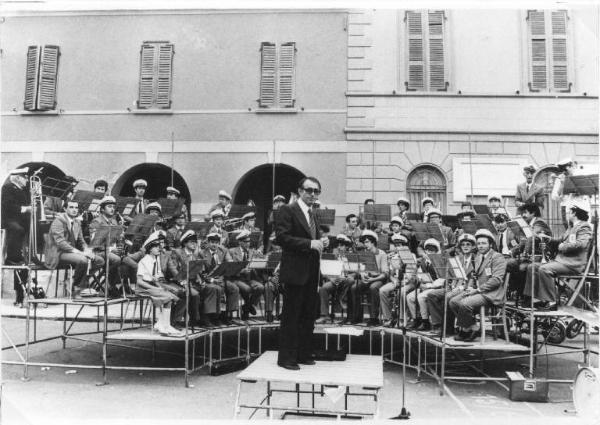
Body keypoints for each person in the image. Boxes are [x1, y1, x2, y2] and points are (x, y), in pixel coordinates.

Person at [275, 176, 328, 370]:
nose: (313, 194)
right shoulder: (287, 210)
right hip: (295, 272)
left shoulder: (313, 214)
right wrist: (309, 243)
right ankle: (286, 358)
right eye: (309, 190)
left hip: (311, 272)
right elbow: (281, 237)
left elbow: (312, 237)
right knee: (291, 316)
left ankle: (303, 354)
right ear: (300, 191)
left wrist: (321, 241)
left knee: (308, 315)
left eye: (316, 191)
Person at [524, 200, 592, 311]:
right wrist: (548, 238)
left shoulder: (584, 227)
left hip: (572, 264)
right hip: (562, 262)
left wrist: (563, 246)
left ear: (574, 213)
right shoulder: (571, 227)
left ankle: (551, 302)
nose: (567, 214)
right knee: (532, 267)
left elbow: (582, 244)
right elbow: (560, 240)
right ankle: (532, 299)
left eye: (569, 212)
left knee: (544, 269)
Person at [449, 229, 507, 342]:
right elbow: (476, 276)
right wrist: (472, 287)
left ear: (490, 244)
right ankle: (472, 327)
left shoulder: (497, 257)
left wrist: (477, 290)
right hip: (480, 291)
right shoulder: (479, 257)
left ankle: (468, 330)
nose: (480, 246)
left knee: (465, 303)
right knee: (453, 301)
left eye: (484, 243)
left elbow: (496, 280)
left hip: (491, 294)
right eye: (479, 243)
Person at [44, 200, 104, 298]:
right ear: (65, 209)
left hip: (71, 253)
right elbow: (61, 243)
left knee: (99, 260)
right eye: (71, 207)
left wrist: (86, 250)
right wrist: (80, 253)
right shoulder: (58, 221)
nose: (74, 210)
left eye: (76, 208)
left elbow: (81, 240)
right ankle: (76, 288)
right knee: (82, 260)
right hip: (58, 253)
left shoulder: (76, 222)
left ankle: (76, 281)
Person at [426, 233, 476, 336]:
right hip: (455, 287)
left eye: (468, 244)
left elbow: (474, 278)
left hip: (467, 288)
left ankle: (448, 329)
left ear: (472, 246)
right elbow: (453, 275)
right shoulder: (459, 259)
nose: (465, 247)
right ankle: (438, 324)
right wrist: (452, 286)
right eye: (463, 245)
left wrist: (461, 287)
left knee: (448, 297)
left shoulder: (476, 259)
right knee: (432, 295)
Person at [136, 233, 184, 337]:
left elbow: (156, 277)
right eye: (156, 247)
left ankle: (165, 324)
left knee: (172, 297)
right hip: (143, 288)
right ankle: (162, 324)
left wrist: (159, 285)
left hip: (152, 285)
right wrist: (154, 287)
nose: (159, 249)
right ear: (150, 249)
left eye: (159, 246)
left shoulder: (155, 260)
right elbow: (139, 281)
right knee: (167, 297)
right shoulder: (143, 261)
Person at [168, 230, 217, 327]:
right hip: (178, 282)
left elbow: (197, 270)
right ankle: (190, 319)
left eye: (195, 242)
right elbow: (173, 268)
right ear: (185, 243)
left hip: (193, 282)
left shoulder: (194, 254)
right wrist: (182, 281)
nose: (194, 244)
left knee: (211, 289)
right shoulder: (177, 252)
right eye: (192, 242)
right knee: (194, 294)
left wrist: (201, 279)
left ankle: (206, 318)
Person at [2, 168, 32, 306]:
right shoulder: (8, 187)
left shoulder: (21, 190)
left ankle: (21, 296)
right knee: (17, 229)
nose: (26, 180)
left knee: (22, 230)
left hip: (19, 223)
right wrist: (25, 209)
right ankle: (11, 258)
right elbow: (7, 206)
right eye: (25, 177)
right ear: (18, 177)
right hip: (8, 220)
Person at [349, 229, 388, 326]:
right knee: (354, 287)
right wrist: (362, 274)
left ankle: (374, 318)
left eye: (367, 242)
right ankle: (357, 316)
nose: (365, 244)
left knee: (373, 287)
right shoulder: (364, 253)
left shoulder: (382, 254)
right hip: (368, 278)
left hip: (378, 279)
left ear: (373, 242)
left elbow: (385, 274)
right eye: (364, 242)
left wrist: (373, 279)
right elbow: (361, 268)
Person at [228, 230, 268, 321]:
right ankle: (247, 310)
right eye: (245, 242)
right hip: (237, 278)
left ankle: (247, 307)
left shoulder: (252, 252)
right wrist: (242, 271)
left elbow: (262, 263)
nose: (248, 244)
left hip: (249, 278)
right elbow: (231, 268)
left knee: (261, 287)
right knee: (247, 289)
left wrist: (261, 257)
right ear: (240, 242)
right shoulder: (232, 251)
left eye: (249, 241)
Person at [315, 234, 356, 325]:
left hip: (346, 280)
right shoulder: (334, 256)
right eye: (338, 245)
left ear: (346, 247)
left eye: (341, 245)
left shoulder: (351, 257)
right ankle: (325, 315)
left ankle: (340, 296)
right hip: (335, 280)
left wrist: (347, 276)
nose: (339, 247)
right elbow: (325, 270)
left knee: (350, 280)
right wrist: (331, 278)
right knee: (324, 288)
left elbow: (356, 271)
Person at [89, 196, 124, 297]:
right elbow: (95, 242)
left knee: (126, 259)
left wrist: (119, 246)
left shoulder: (114, 221)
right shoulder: (97, 221)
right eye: (109, 206)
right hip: (99, 251)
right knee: (116, 259)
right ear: (102, 209)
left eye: (113, 206)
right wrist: (112, 249)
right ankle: (108, 286)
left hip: (110, 251)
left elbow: (117, 239)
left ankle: (117, 286)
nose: (112, 209)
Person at [201, 232, 239, 324]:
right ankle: (211, 317)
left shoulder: (223, 251)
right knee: (216, 288)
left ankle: (226, 314)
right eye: (212, 242)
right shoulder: (202, 253)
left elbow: (229, 264)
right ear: (208, 243)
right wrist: (212, 280)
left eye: (217, 242)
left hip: (221, 278)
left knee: (234, 288)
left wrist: (230, 263)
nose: (215, 244)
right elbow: (201, 272)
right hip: (208, 279)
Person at [379, 233, 411, 327]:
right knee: (382, 290)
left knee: (401, 292)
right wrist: (394, 280)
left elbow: (412, 274)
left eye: (400, 245)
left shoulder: (410, 255)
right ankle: (387, 318)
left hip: (408, 281)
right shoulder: (394, 257)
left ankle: (401, 318)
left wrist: (404, 281)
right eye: (396, 246)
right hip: (397, 280)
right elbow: (391, 274)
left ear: (404, 245)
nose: (398, 248)